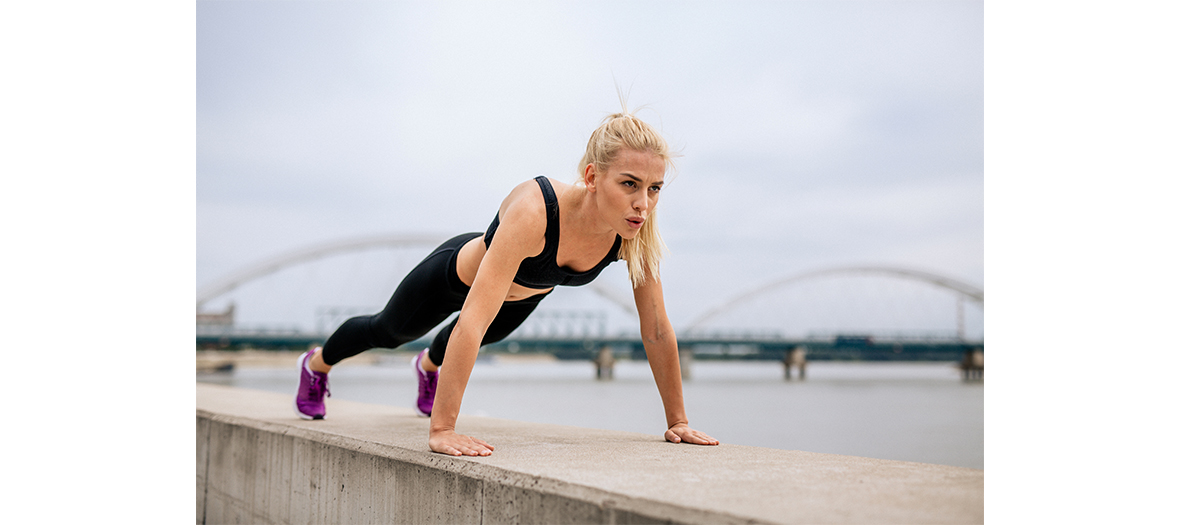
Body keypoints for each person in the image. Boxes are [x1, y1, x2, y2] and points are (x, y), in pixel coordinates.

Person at [293, 110, 719, 456]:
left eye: (655, 188)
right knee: (389, 330)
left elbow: (657, 328)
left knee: (451, 347)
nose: (643, 203)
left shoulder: (634, 233)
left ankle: (427, 368)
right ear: (592, 177)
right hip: (454, 280)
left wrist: (678, 422)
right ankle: (316, 366)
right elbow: (473, 320)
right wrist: (443, 430)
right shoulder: (536, 211)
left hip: (522, 298)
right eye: (630, 184)